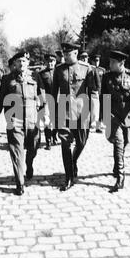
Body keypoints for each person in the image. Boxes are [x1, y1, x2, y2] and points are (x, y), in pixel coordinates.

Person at [0, 51, 48, 196]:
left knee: (34, 147)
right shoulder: (7, 79)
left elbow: (43, 98)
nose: (22, 64)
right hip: (14, 119)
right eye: (19, 61)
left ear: (28, 63)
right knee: (16, 151)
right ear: (15, 64)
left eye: (24, 61)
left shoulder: (35, 77)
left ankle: (29, 164)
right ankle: (20, 182)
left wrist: (46, 115)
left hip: (32, 118)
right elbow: (0, 99)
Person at [52, 42, 95, 191]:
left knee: (82, 142)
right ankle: (69, 177)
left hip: (82, 111)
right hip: (63, 111)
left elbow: (93, 92)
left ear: (76, 53)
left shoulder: (87, 69)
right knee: (65, 144)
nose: (65, 56)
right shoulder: (58, 69)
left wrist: (94, 113)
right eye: (64, 53)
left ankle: (73, 161)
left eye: (68, 53)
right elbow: (53, 93)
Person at [101, 50, 130, 193]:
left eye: (113, 62)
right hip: (114, 115)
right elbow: (104, 97)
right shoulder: (107, 77)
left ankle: (117, 163)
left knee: (125, 142)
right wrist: (105, 116)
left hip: (129, 116)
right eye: (110, 61)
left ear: (121, 63)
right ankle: (120, 178)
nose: (110, 64)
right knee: (118, 142)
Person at [38, 52, 58, 149]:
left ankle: (54, 135)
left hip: (58, 100)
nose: (50, 63)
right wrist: (44, 101)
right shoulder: (41, 74)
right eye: (48, 61)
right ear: (46, 62)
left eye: (52, 61)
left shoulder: (59, 72)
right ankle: (48, 141)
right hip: (47, 99)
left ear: (55, 61)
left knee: (57, 121)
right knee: (47, 121)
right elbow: (41, 88)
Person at [90, 54, 106, 133]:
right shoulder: (89, 69)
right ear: (92, 61)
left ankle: (98, 125)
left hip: (101, 91)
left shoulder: (102, 70)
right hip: (92, 91)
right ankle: (91, 124)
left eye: (98, 61)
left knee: (100, 109)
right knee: (92, 108)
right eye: (95, 61)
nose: (96, 62)